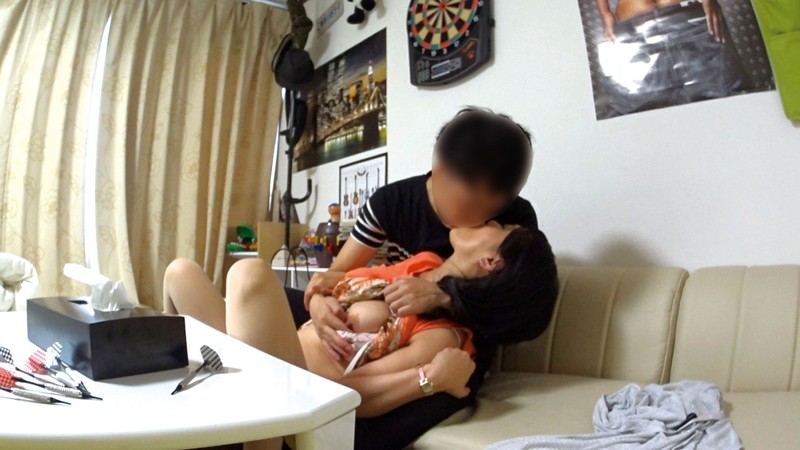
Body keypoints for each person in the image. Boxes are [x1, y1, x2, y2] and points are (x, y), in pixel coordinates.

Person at [293, 108, 559, 449]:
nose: (481, 218)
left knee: (382, 420)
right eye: (471, 204)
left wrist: (441, 296)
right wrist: (317, 301)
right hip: (381, 317)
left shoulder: (515, 220)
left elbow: (508, 299)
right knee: (263, 292)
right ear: (441, 169)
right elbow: (337, 275)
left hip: (455, 337)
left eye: (494, 211)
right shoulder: (392, 204)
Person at [163, 221, 557, 449]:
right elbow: (337, 283)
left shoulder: (443, 333)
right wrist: (319, 301)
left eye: (499, 227)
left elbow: (355, 396)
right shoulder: (423, 263)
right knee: (180, 273)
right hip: (267, 364)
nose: (489, 221)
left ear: (491, 262)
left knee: (248, 275)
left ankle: (255, 440)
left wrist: (430, 379)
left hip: (298, 395)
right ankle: (173, 402)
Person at [593, 0, 755, 117]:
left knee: (729, 97)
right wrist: (605, 13)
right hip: (636, 30)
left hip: (687, 18)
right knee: (633, 113)